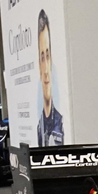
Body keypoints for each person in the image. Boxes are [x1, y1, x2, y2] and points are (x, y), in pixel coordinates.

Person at [35, 9, 64, 145]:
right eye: (42, 57)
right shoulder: (39, 127)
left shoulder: (61, 124)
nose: (46, 70)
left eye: (47, 56)